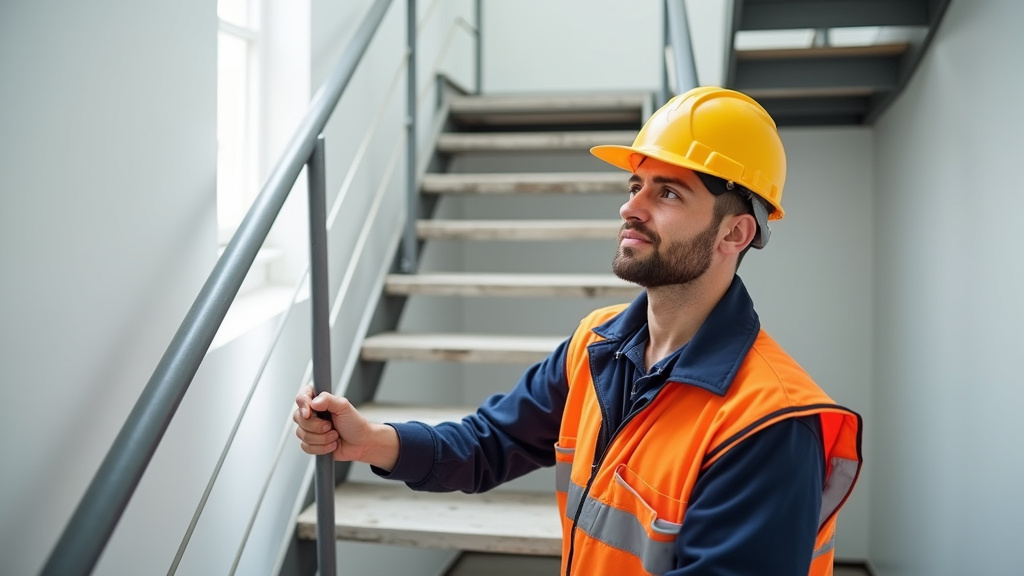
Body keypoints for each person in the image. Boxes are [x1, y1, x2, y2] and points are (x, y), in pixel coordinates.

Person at [294, 86, 863, 576]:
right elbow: (490, 442)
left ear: (734, 234)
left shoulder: (768, 424)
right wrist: (371, 441)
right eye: (635, 185)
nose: (631, 208)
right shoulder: (597, 344)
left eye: (668, 192)